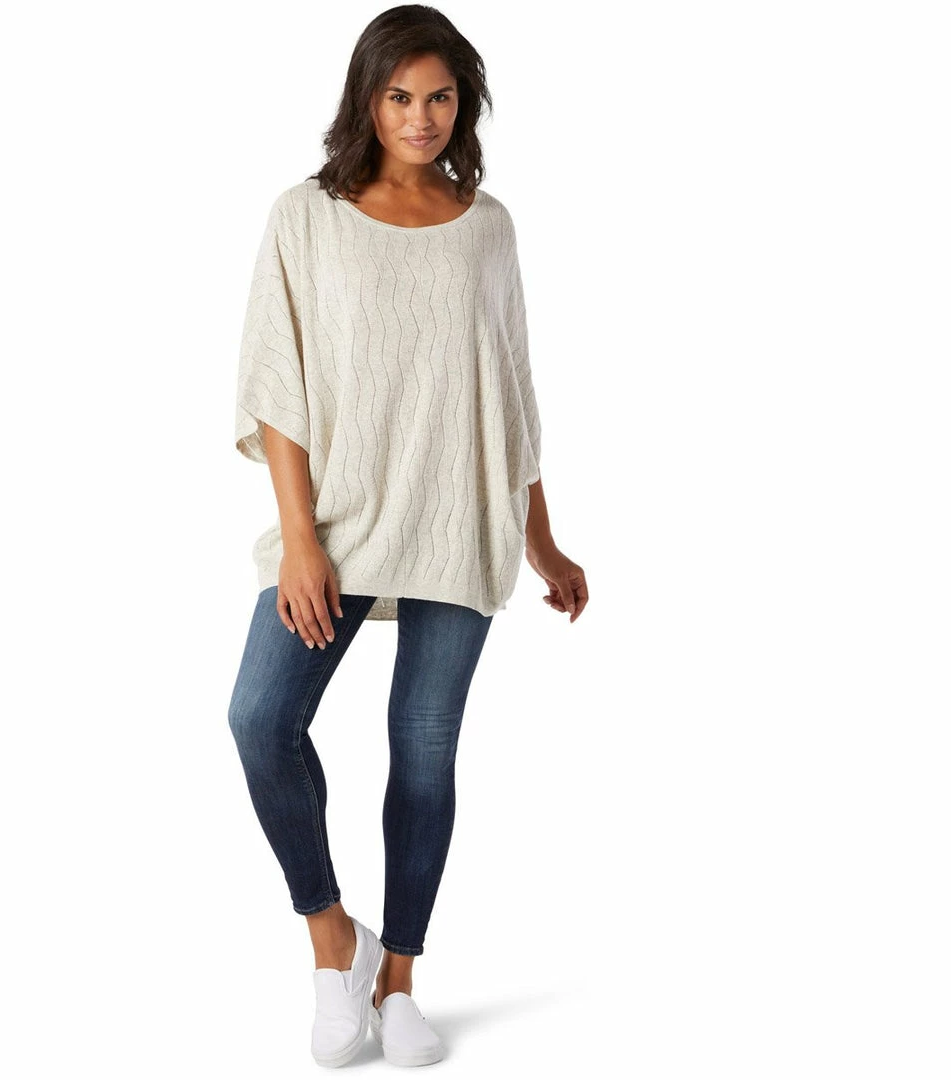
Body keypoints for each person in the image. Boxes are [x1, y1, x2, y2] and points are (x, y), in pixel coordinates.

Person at [227, 5, 586, 1068]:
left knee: (424, 751)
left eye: (439, 97)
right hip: (338, 524)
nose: (421, 117)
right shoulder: (307, 215)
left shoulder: (488, 226)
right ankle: (333, 940)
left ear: (463, 103)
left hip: (460, 522)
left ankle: (399, 983)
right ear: (367, 100)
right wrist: (301, 539)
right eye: (399, 97)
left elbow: (509, 396)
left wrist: (544, 543)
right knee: (260, 719)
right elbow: (278, 385)